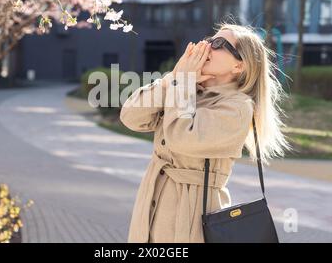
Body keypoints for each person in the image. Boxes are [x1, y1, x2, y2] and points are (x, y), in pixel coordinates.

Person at [120, 23, 292, 243]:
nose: (207, 46)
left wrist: (182, 83)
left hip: (190, 219)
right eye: (209, 39)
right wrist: (173, 78)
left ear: (239, 66)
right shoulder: (186, 88)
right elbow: (131, 117)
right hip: (150, 207)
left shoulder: (237, 107)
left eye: (219, 44)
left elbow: (182, 138)